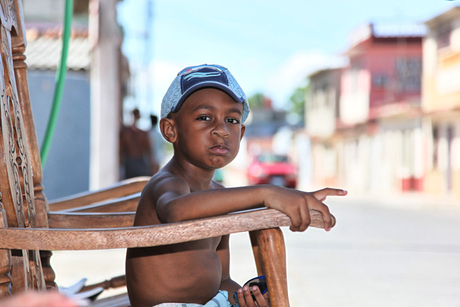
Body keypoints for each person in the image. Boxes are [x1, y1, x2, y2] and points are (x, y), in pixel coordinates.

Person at [125, 64, 347, 307]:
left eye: (231, 120)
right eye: (204, 117)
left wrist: (245, 299)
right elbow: (176, 211)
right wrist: (266, 192)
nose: (221, 130)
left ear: (241, 134)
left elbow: (222, 279)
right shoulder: (168, 182)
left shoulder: (218, 197)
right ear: (171, 130)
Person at [120, 108, 154, 178]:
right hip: (136, 161)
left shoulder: (126, 132)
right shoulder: (142, 133)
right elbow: (149, 151)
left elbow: (121, 150)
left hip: (131, 162)